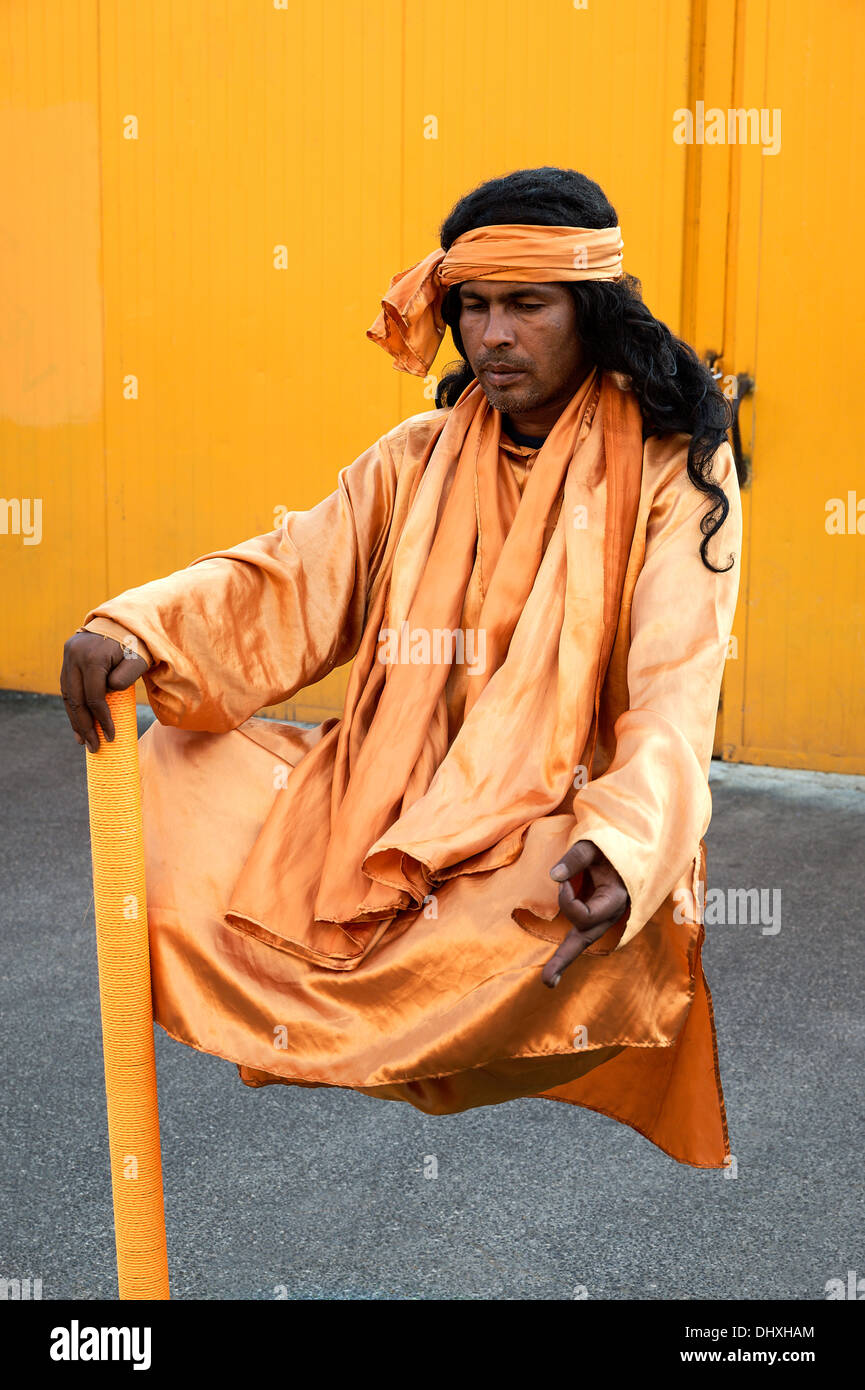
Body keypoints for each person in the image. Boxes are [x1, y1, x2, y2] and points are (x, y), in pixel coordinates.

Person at [60, 166, 742, 1167]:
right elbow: (290, 581)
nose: (494, 336)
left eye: (526, 304)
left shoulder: (673, 469)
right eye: (472, 306)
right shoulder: (417, 455)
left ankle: (428, 982)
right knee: (175, 769)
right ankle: (355, 1009)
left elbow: (675, 685)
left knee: (568, 905)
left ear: (589, 309)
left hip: (551, 826)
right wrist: (138, 627)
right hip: (389, 809)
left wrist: (628, 845)